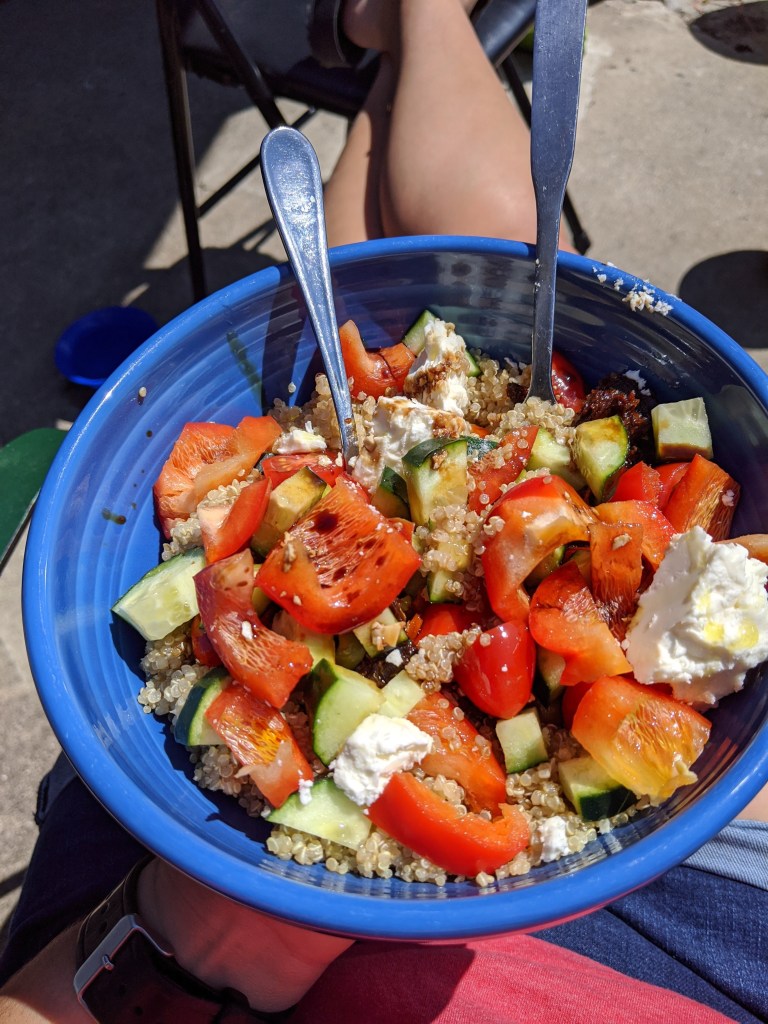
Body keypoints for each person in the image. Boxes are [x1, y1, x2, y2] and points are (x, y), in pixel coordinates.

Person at [1, 2, 767, 1022]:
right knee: (483, 223)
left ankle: (402, 35)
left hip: (165, 904)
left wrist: (197, 940)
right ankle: (415, 25)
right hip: (710, 897)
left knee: (402, 242)